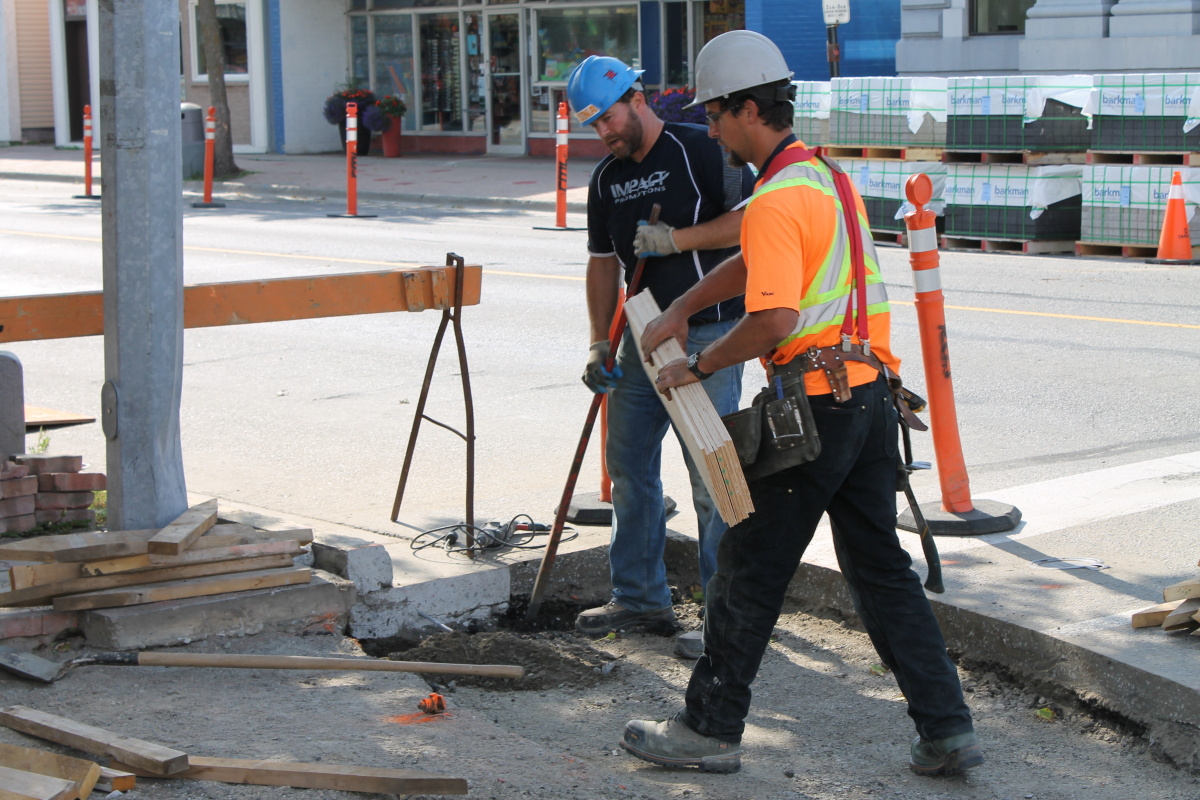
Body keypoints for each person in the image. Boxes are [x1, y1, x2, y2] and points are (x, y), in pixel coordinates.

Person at [618, 31, 981, 776]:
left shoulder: (779, 196)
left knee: (748, 567)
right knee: (881, 572)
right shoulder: (822, 180)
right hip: (871, 400)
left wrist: (701, 362)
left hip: (814, 407)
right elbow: (759, 258)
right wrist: (685, 302)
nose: (712, 130)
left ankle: (709, 729)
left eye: (715, 115)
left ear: (748, 108)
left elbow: (776, 317)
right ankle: (947, 730)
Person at [565, 55, 754, 654]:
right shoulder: (606, 180)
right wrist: (601, 339)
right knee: (629, 469)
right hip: (641, 334)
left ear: (637, 99)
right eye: (592, 126)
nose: (604, 134)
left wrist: (679, 239)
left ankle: (728, 620)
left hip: (708, 334)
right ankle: (642, 600)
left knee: (712, 476)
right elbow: (602, 264)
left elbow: (755, 222)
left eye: (608, 119)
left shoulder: (703, 150)